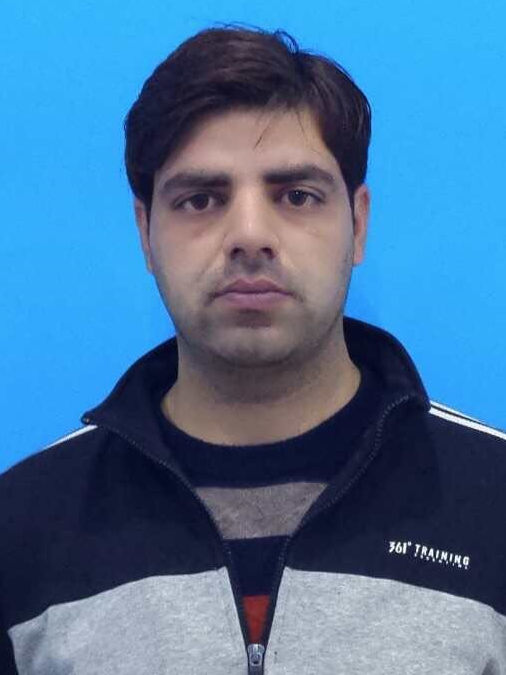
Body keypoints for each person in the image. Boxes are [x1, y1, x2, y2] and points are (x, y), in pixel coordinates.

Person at [1, 25, 505, 675]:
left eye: (296, 195)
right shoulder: (22, 525)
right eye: (200, 199)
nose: (248, 234)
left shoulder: (494, 503)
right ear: (145, 234)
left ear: (358, 224)